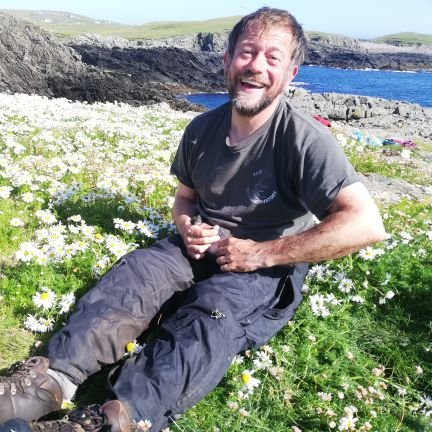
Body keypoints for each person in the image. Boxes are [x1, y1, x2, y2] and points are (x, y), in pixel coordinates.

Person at [0, 7, 385, 432]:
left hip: (263, 269)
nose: (255, 66)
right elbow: (185, 199)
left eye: (272, 58)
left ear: (291, 72)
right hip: (195, 249)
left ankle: (115, 419)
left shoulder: (304, 140)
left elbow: (365, 224)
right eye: (247, 52)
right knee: (136, 275)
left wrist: (261, 254)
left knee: (211, 315)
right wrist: (186, 226)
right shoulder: (201, 130)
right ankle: (48, 382)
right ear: (227, 60)